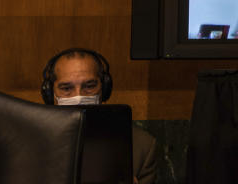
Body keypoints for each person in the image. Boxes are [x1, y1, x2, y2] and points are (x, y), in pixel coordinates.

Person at [41, 48, 158, 184]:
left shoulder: (141, 146)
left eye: (89, 86)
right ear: (50, 94)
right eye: (66, 88)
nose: (79, 96)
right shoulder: (28, 143)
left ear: (104, 89)